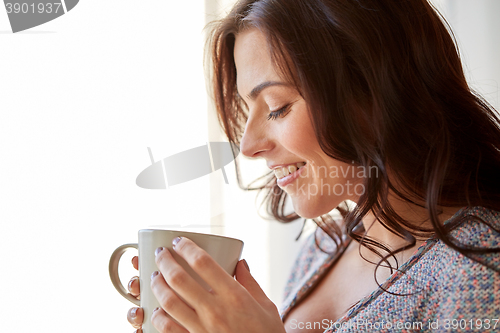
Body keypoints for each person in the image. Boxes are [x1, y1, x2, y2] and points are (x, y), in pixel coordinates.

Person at [125, 0, 500, 332]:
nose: (249, 146)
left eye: (277, 106)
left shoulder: (481, 267)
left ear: (373, 91)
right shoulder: (322, 247)